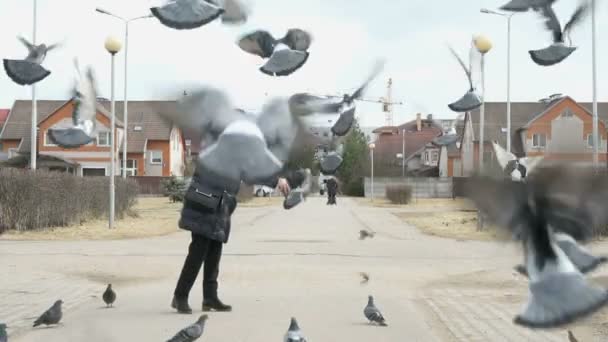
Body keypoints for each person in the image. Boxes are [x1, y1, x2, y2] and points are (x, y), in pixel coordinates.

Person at [171, 166, 307, 314]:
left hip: (220, 204)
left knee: (214, 252)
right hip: (205, 201)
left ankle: (210, 297)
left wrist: (278, 180)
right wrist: (276, 180)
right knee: (198, 252)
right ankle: (180, 296)